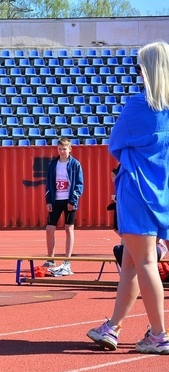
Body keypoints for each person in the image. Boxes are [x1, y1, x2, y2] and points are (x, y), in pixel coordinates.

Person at [87, 41, 169, 355]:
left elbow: (116, 143)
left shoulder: (138, 105)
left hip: (136, 188)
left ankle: (159, 334)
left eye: (138, 67)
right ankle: (114, 326)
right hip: (161, 191)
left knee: (144, 261)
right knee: (132, 262)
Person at [42, 137, 84, 276]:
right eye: (60, 149)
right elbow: (48, 183)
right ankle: (50, 259)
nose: (62, 151)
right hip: (56, 200)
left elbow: (79, 184)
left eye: (64, 149)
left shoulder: (75, 164)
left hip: (69, 200)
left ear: (69, 149)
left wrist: (73, 200)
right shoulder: (53, 164)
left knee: (68, 228)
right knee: (49, 229)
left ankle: (67, 260)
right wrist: (48, 200)